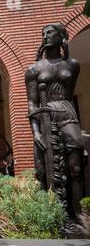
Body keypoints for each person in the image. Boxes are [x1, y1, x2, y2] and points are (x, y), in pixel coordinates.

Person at [25, 23, 85, 221]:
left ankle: (79, 213)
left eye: (50, 32)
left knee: (76, 167)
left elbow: (69, 93)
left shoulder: (73, 65)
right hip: (45, 116)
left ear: (61, 37)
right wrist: (36, 133)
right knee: (43, 169)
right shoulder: (34, 69)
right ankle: (50, 213)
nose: (45, 36)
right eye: (43, 33)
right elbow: (32, 103)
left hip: (67, 114)